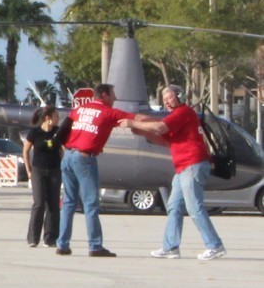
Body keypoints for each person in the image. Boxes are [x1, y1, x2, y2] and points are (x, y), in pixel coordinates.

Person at [128, 84, 226, 261]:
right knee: (174, 207)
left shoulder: (184, 112)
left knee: (194, 207)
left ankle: (215, 245)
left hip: (192, 164)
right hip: (182, 168)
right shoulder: (175, 117)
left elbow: (159, 128)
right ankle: (171, 247)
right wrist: (141, 130)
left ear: (179, 97)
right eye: (164, 99)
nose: (166, 102)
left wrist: (134, 122)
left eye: (170, 98)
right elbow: (163, 139)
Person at [57, 83, 133, 258]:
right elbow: (134, 118)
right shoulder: (108, 112)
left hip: (68, 156)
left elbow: (67, 129)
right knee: (91, 203)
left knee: (69, 202)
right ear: (105, 95)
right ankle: (95, 245)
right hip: (84, 158)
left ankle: (62, 243)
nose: (115, 99)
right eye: (113, 95)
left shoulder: (78, 110)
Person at [22, 106, 64, 247]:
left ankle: (50, 238)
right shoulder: (35, 133)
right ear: (48, 118)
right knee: (39, 203)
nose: (58, 118)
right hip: (38, 170)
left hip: (54, 171)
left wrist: (62, 164)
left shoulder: (58, 132)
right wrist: (29, 170)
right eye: (56, 116)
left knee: (53, 205)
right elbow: (26, 151)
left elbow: (63, 150)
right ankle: (33, 238)